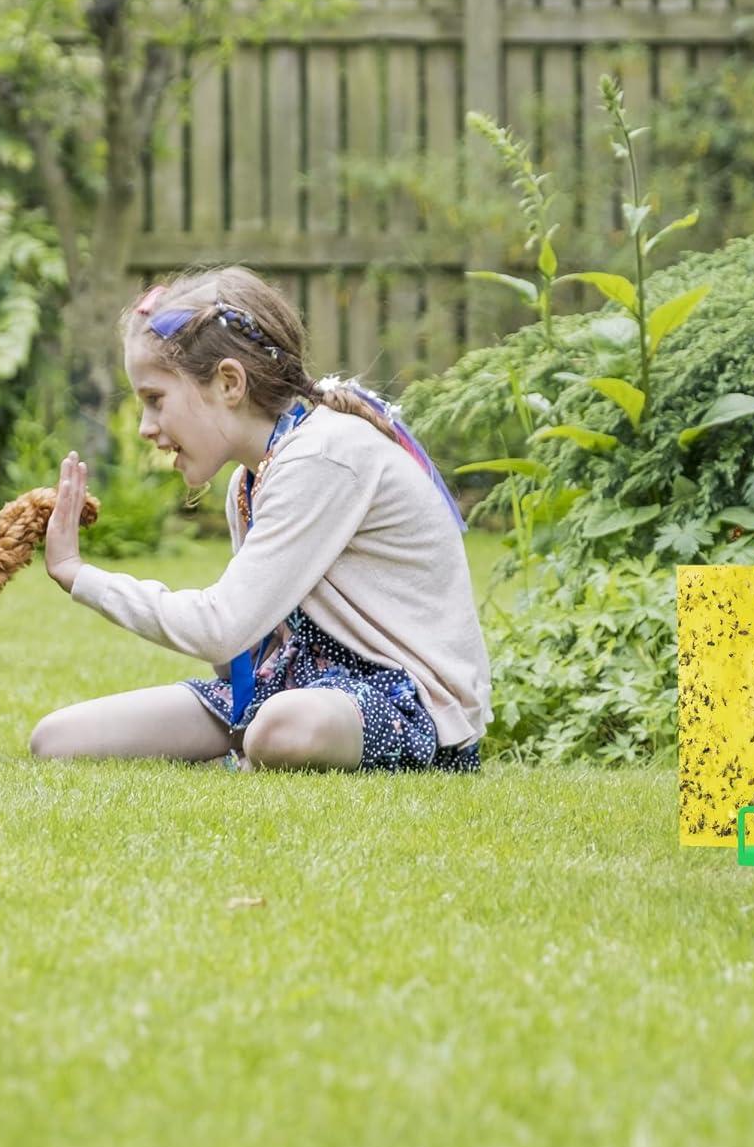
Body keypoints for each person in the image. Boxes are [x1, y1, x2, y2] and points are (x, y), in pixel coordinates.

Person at [30, 265, 491, 772]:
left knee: (281, 729)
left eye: (155, 400)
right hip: (292, 684)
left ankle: (253, 752)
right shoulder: (249, 482)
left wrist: (78, 574)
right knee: (57, 739)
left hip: (406, 707)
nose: (146, 427)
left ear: (229, 382)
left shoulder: (324, 456)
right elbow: (237, 651)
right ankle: (251, 751)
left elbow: (219, 629)